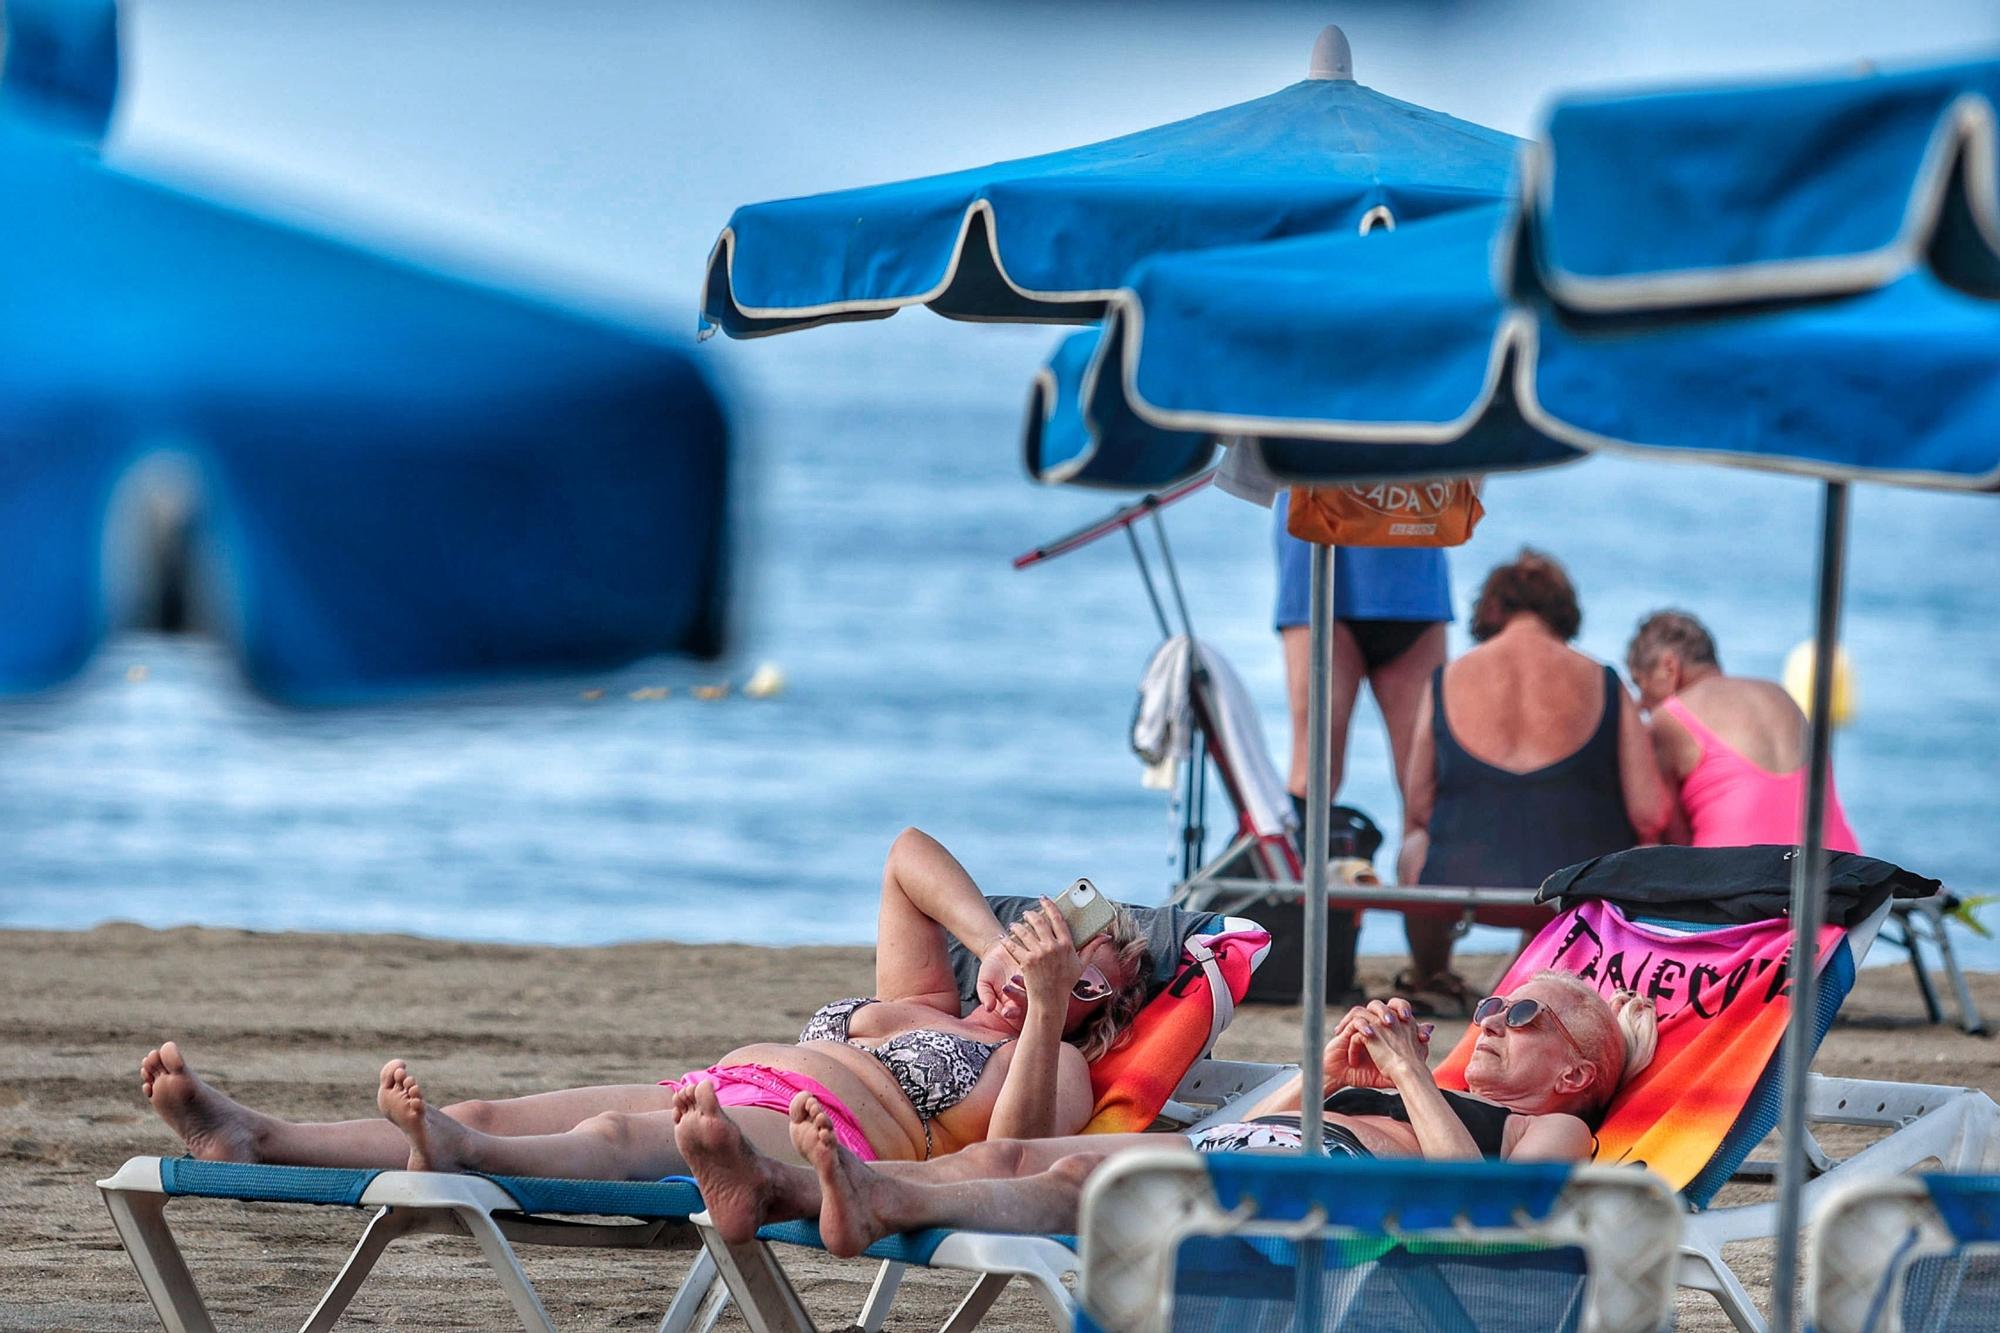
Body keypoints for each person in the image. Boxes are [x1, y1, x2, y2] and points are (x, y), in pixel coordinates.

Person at [138, 828, 1151, 1175]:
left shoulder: (1056, 1064)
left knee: (619, 1133)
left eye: (1079, 958)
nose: (1046, 947)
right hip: (715, 1082)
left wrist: (1048, 998)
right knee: (489, 1106)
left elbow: (1005, 1154)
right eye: (1050, 922)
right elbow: (904, 856)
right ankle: (256, 1135)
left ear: (1096, 1002)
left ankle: (465, 1159)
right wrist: (994, 944)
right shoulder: (928, 993)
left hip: (815, 1135)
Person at [677, 972, 1658, 1253]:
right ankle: (780, 1185)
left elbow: (1482, 1207)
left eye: (1520, 1010)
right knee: (1015, 1145)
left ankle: (880, 1202)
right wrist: (1317, 1069)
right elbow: (1239, 1119)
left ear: (1574, 1073)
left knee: (1078, 1182)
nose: (1489, 1014)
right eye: (1490, 1000)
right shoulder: (1420, 1082)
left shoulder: (1550, 1129)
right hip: (1249, 1145)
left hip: (1315, 1196)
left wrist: (1405, 1072)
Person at [1397, 551, 1672, 1012]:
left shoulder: (1446, 679)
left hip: (1459, 882)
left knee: (1414, 846)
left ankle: (1432, 975)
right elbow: (1649, 813)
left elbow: (1419, 807)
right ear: (1563, 610)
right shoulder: (1603, 681)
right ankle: (1548, 961)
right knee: (1632, 848)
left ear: (1492, 609)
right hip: (1575, 893)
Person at [1273, 494, 1452, 838]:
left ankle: (1424, 887)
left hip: (1414, 568)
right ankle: (1294, 887)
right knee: (1315, 776)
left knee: (1427, 792)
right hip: (1327, 562)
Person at [1625, 610, 1862, 851]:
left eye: (1639, 684)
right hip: (1835, 866)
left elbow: (1670, 836)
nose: (1640, 702)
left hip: (1741, 875)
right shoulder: (1779, 693)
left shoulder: (1669, 717)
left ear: (1669, 668)